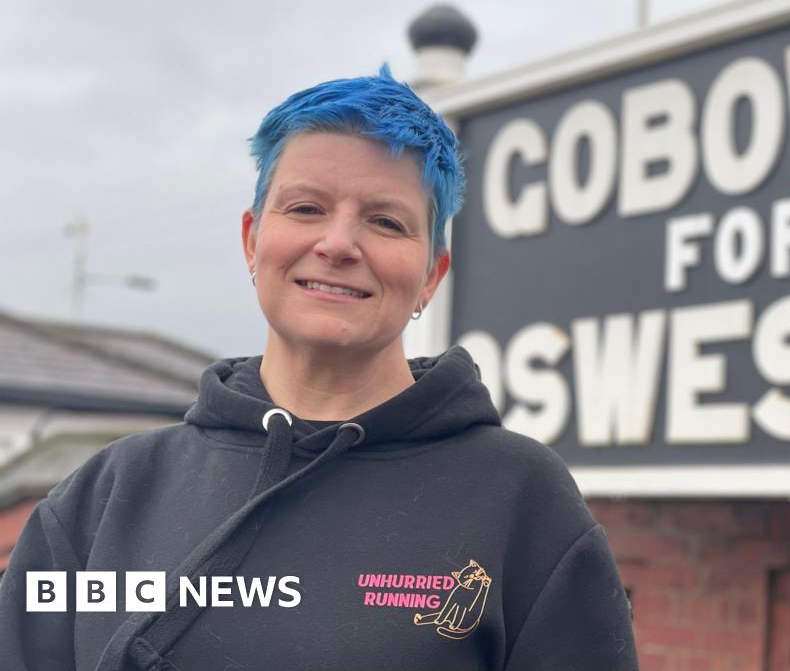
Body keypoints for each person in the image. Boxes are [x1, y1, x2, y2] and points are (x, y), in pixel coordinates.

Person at [0, 65, 638, 670]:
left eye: (385, 221)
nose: (337, 244)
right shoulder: (106, 497)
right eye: (305, 208)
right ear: (253, 239)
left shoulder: (522, 503)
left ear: (430, 276)